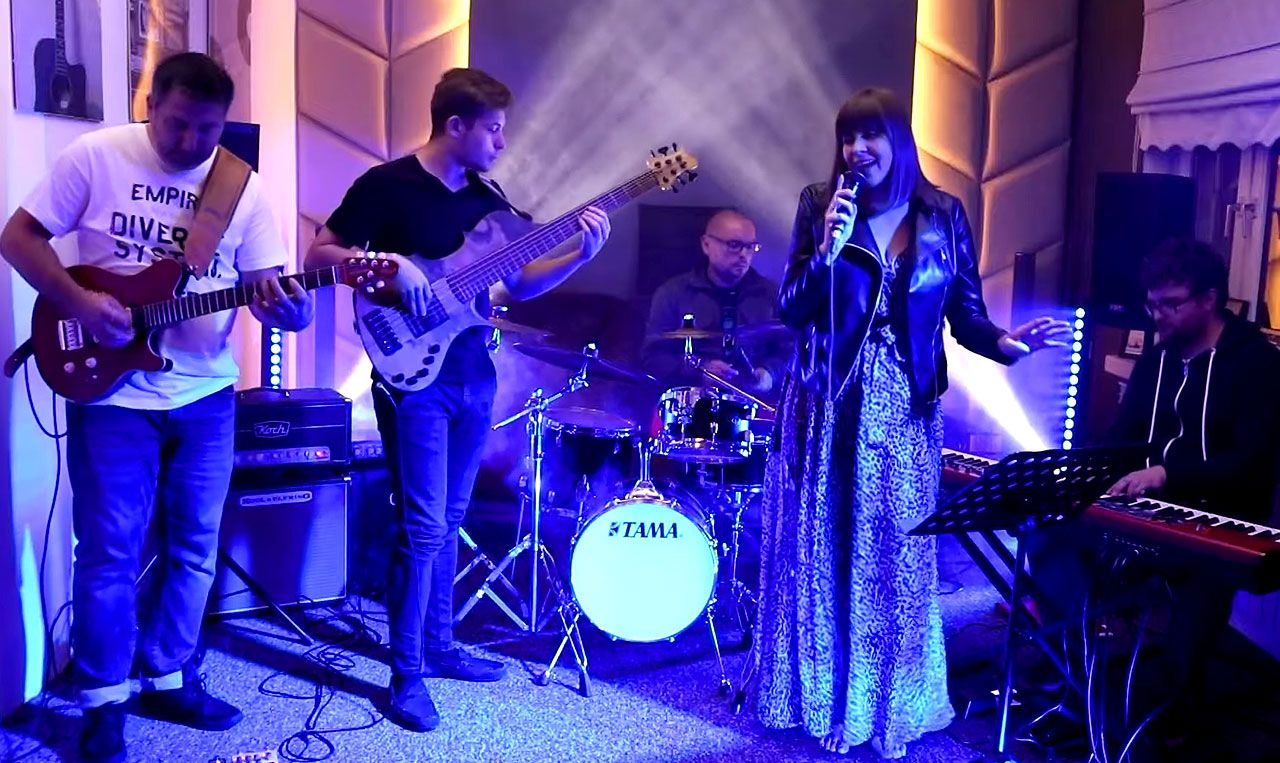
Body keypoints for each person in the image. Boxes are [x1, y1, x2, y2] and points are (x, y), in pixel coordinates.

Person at [0, 53, 313, 763]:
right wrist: (81, 302)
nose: (191, 142)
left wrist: (290, 313)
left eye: (208, 129)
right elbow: (17, 238)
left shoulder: (241, 188)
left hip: (205, 395)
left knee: (196, 544)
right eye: (177, 125)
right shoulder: (95, 155)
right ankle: (103, 700)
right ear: (150, 106)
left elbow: (268, 288)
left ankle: (170, 675)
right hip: (113, 393)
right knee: (109, 548)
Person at [753, 87, 1068, 759]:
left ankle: (887, 702)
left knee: (892, 555)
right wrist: (828, 248)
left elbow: (966, 314)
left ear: (899, 139)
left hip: (903, 406)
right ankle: (824, 699)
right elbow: (791, 308)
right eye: (847, 137)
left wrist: (1006, 344)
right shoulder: (818, 204)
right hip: (828, 401)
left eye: (870, 135)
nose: (855, 149)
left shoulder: (943, 213)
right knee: (828, 550)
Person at [304, 68, 611, 733]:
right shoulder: (386, 185)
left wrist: (578, 256)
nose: (502, 142)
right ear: (455, 126)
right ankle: (406, 673)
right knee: (422, 526)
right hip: (412, 375)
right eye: (493, 130)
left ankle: (439, 645)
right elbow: (319, 254)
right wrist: (395, 267)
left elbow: (519, 285)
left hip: (473, 372)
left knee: (448, 518)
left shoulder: (488, 200)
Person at [1026, 238, 1280, 757]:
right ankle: (1084, 682)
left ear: (1209, 300)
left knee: (1202, 585)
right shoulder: (1158, 359)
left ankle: (1175, 714)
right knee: (1047, 544)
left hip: (1221, 521)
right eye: (1152, 304)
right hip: (1147, 516)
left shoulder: (1257, 364)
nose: (1157, 315)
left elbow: (1252, 464)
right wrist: (1075, 473)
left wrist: (1167, 473)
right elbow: (1123, 437)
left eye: (1170, 304)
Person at [641, 209, 786, 395]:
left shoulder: (772, 294)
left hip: (751, 401)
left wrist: (769, 374)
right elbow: (652, 357)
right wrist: (699, 370)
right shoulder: (673, 293)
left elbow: (789, 351)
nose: (744, 254)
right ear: (706, 244)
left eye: (751, 247)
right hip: (691, 399)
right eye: (734, 245)